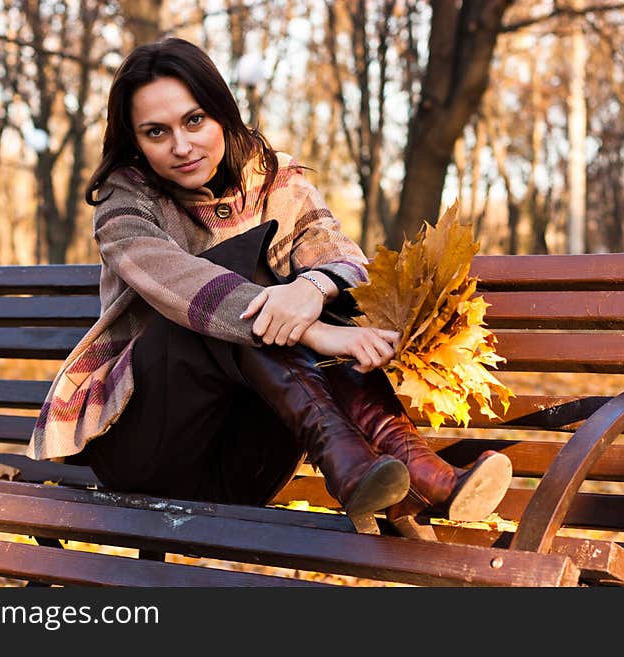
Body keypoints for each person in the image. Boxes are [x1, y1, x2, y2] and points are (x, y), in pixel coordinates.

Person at [25, 36, 511, 540]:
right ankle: (402, 473)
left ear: (221, 112)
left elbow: (346, 261)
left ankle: (399, 470)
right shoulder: (124, 205)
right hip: (150, 452)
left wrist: (313, 290)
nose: (182, 146)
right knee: (221, 295)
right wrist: (317, 333)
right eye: (156, 132)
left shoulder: (276, 178)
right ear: (135, 141)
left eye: (195, 121)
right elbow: (178, 283)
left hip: (247, 461)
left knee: (320, 293)